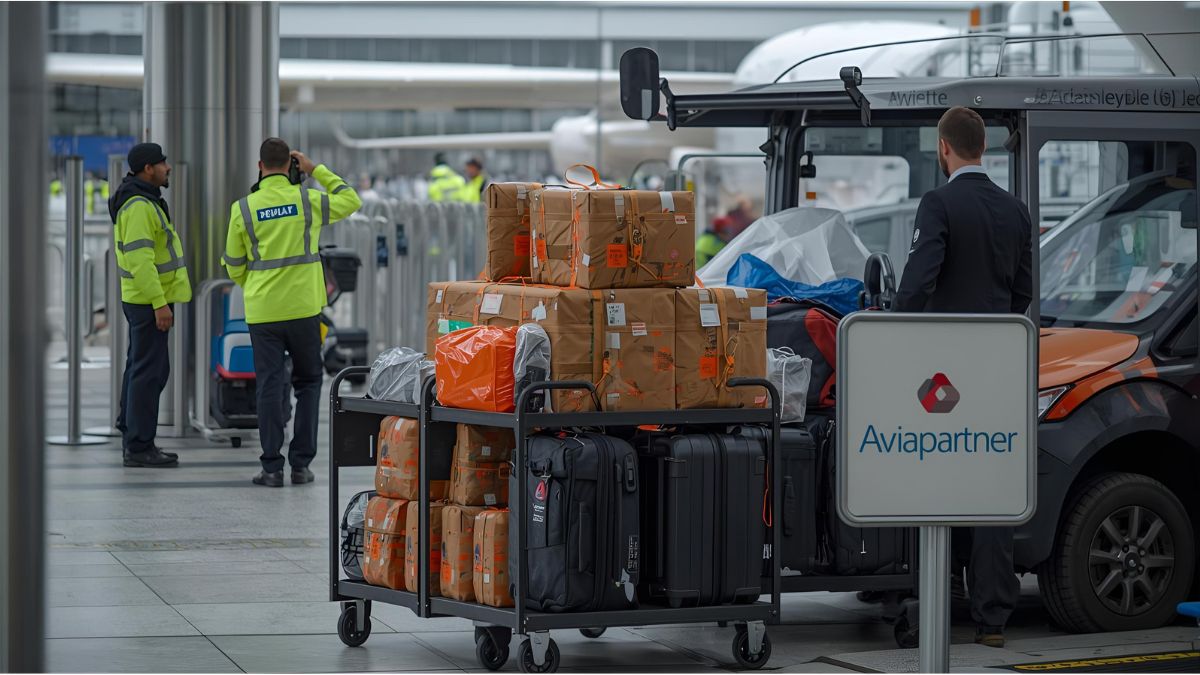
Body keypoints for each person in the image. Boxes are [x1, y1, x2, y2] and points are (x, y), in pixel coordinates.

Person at [893, 106, 1033, 648]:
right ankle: (992, 619)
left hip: (943, 368)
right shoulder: (1015, 210)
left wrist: (896, 329)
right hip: (996, 364)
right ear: (984, 148)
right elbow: (1023, 291)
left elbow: (916, 284)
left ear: (943, 148)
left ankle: (936, 600)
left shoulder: (939, 203)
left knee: (937, 472)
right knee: (991, 482)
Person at [222, 138, 362, 487]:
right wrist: (317, 169)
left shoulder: (243, 208)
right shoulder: (307, 200)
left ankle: (271, 467)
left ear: (260, 166)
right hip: (303, 309)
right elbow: (351, 200)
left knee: (269, 385)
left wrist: (254, 284)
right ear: (290, 165)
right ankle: (301, 465)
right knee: (309, 383)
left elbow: (233, 264)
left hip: (263, 312)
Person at [108, 142, 191, 468]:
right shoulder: (139, 206)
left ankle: (132, 432)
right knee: (149, 373)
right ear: (147, 169)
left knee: (141, 368)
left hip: (144, 300)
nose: (167, 168)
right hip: (148, 302)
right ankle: (140, 446)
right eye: (162, 163)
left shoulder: (143, 200)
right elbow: (141, 262)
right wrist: (159, 304)